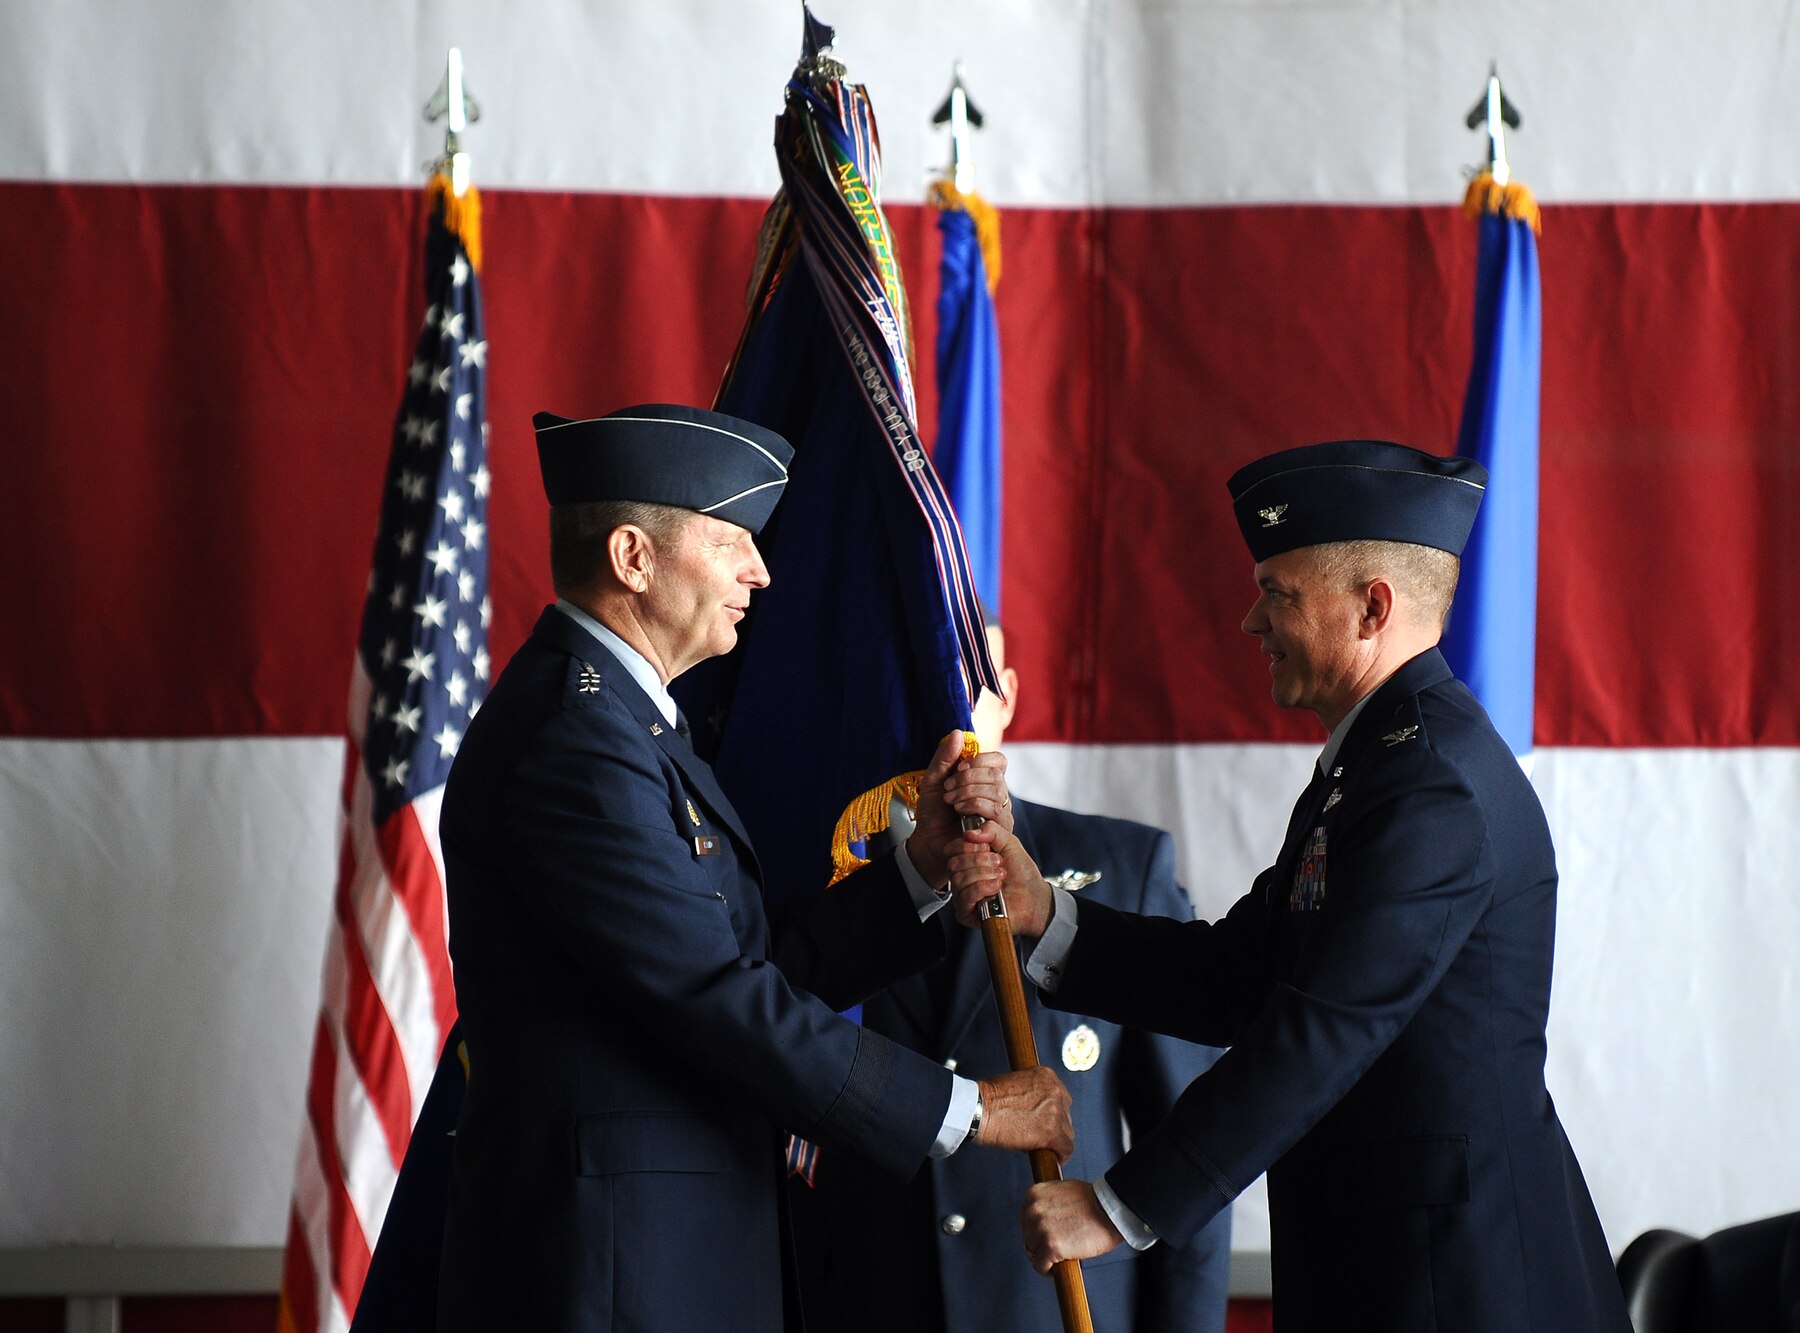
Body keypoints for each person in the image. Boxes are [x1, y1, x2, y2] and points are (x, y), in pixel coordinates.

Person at [948, 440, 1632, 1332]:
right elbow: (1242, 972)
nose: (1249, 622)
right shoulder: (1382, 765)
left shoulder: (1431, 785)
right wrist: (1048, 914)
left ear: (1370, 607)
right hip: (1391, 1266)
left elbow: (1320, 1031)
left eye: (1277, 593)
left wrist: (1117, 1204)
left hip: (1458, 1284)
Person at [435, 403, 1074, 1333]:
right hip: (611, 1276)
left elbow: (749, 961)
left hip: (669, 1255)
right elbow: (713, 996)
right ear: (632, 557)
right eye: (733, 539)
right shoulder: (575, 739)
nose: (761, 570)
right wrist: (968, 1109)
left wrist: (917, 870)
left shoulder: (625, 721)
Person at [791, 623, 1232, 1333]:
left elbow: (1190, 1138)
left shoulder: (1121, 867)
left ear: (1010, 695)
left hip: (1053, 1309)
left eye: (969, 679)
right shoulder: (820, 882)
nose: (948, 709)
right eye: (923, 681)